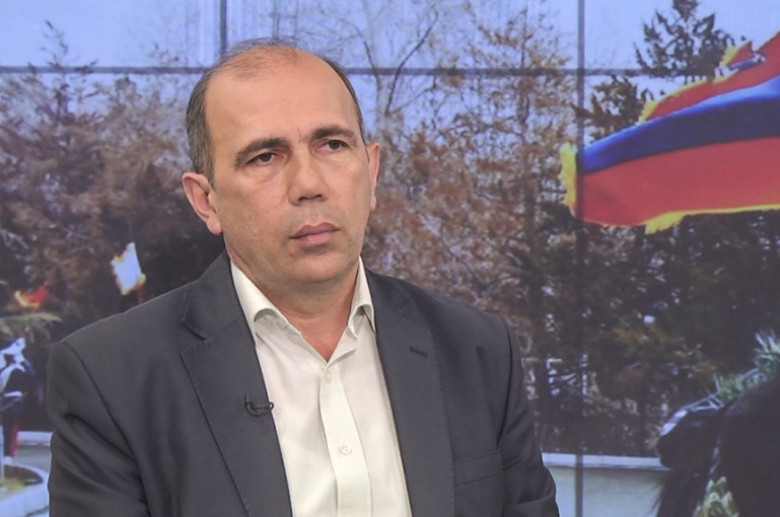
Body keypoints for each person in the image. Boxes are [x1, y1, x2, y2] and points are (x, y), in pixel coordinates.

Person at [47, 39, 558, 516]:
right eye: (265, 157)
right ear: (206, 200)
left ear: (371, 171)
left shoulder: (476, 351)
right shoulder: (110, 378)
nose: (308, 184)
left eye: (332, 145)